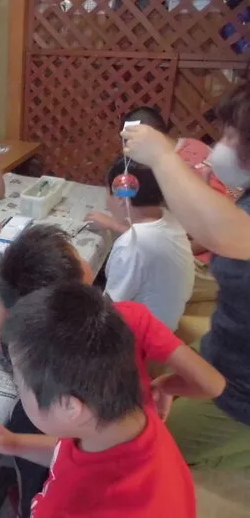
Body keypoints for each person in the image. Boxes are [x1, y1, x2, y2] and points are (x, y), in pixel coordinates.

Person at [0, 284, 196, 517]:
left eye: (20, 383)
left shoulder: (109, 504)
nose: (18, 390)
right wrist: (15, 443)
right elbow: (73, 454)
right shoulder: (124, 419)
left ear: (68, 405)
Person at [0, 224, 224, 516]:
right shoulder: (119, 427)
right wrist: (16, 443)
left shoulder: (78, 503)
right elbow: (67, 454)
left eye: (20, 386)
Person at [122, 81, 250, 468]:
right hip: (225, 348)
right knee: (152, 389)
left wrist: (163, 157)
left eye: (233, 134)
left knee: (139, 448)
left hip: (243, 389)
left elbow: (225, 235)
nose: (222, 144)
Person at [120, 106, 238, 302]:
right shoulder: (192, 145)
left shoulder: (180, 169)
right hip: (213, 251)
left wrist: (175, 251)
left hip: (209, 265)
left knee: (137, 277)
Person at [86, 156, 195, 330]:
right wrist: (113, 225)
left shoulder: (131, 245)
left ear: (122, 197)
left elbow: (108, 311)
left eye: (107, 191)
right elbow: (149, 242)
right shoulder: (167, 217)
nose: (106, 200)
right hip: (167, 320)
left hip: (143, 338)